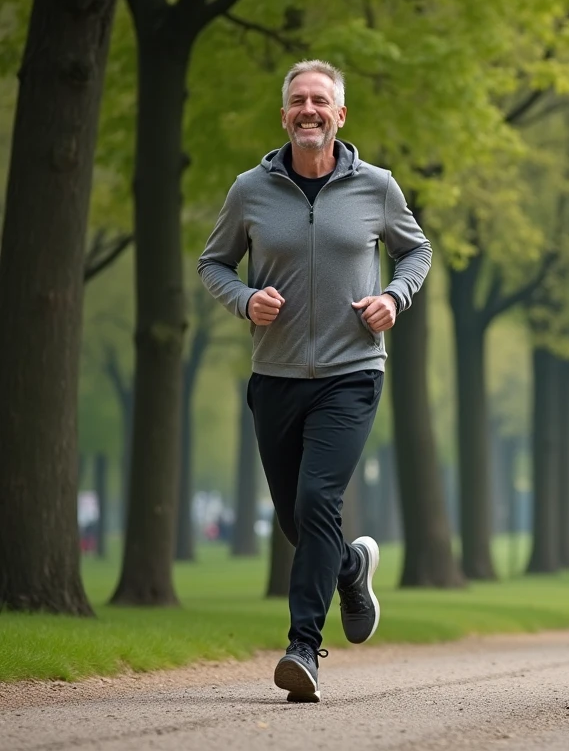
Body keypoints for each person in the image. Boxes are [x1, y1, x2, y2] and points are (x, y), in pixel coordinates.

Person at [197, 59, 432, 703]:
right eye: (298, 100)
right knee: (299, 519)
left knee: (316, 502)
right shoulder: (250, 190)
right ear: (284, 115)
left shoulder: (377, 188)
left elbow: (417, 250)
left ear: (339, 115)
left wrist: (394, 295)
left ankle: (304, 648)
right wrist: (245, 300)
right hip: (274, 376)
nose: (309, 110)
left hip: (352, 372)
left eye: (320, 100)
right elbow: (213, 263)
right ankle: (352, 567)